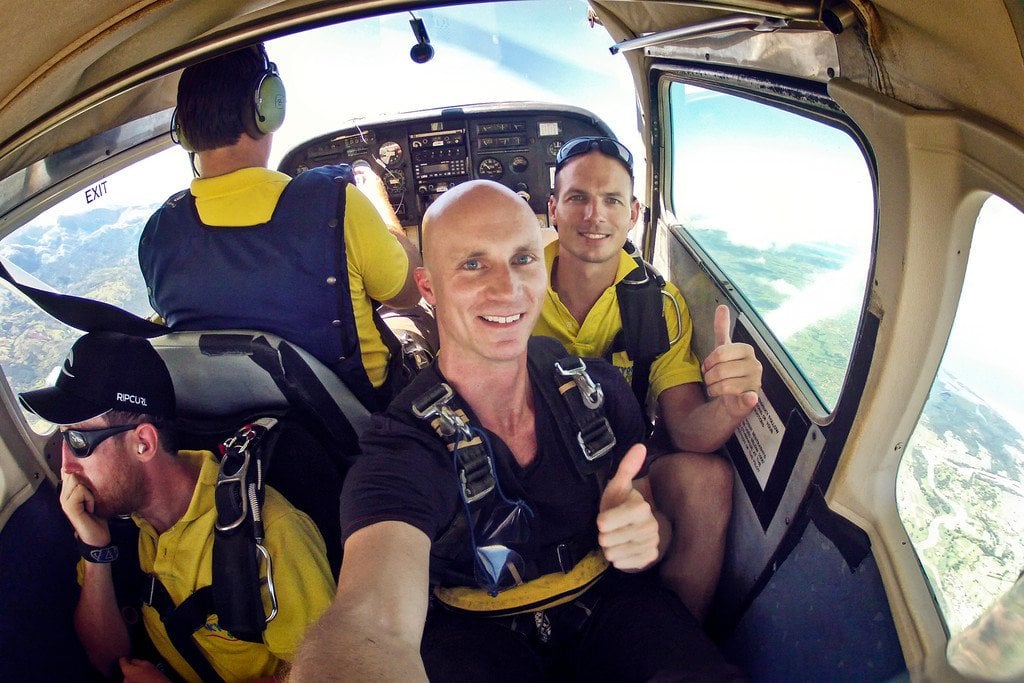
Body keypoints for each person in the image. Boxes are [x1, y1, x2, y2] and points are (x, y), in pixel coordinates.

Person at [290, 180, 741, 681]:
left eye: (523, 258)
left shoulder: (599, 391)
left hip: (612, 607)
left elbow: (653, 523)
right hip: (476, 635)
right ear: (428, 288)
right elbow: (370, 622)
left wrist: (646, 533)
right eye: (473, 264)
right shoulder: (401, 450)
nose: (506, 289)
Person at [534, 136, 763, 622]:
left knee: (708, 478)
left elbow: (685, 431)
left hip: (625, 458)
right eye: (577, 197)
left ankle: (679, 637)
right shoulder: (519, 286)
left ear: (634, 213)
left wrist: (728, 406)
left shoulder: (657, 305)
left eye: (612, 200)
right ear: (553, 209)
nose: (594, 214)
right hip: (532, 456)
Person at [18, 331, 335, 682]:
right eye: (62, 436)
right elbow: (105, 658)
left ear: (143, 442)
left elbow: (330, 674)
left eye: (78, 441)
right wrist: (95, 551)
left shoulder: (270, 532)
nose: (65, 467)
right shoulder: (121, 519)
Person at [138, 44, 422, 412]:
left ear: (186, 129)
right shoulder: (340, 202)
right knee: (413, 316)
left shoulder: (158, 234)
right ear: (267, 107)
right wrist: (381, 206)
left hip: (243, 439)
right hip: (363, 430)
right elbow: (408, 292)